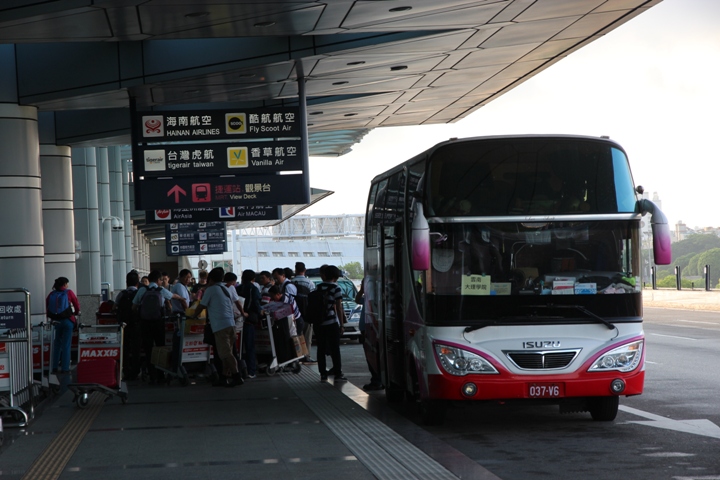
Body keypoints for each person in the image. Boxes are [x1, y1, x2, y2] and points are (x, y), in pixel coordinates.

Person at [190, 267, 243, 387]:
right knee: (224, 354)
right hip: (231, 324)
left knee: (226, 354)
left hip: (220, 326)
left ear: (211, 280)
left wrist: (193, 316)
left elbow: (201, 306)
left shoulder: (211, 289)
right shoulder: (227, 288)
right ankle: (223, 378)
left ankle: (237, 376)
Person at [132, 270, 185, 382]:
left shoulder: (142, 290)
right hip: (158, 322)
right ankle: (161, 374)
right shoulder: (161, 290)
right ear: (158, 280)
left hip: (145, 323)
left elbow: (134, 307)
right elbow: (173, 297)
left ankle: (152, 375)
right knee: (161, 347)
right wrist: (181, 299)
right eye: (161, 280)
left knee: (148, 349)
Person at [315, 265, 347, 382]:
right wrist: (342, 325)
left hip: (319, 323)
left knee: (321, 348)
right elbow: (338, 308)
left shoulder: (318, 287)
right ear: (335, 276)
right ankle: (338, 373)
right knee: (335, 348)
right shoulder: (336, 288)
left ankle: (323, 373)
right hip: (331, 323)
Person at [46, 277, 80, 374]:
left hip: (56, 321)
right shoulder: (68, 292)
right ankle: (65, 368)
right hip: (67, 321)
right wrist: (76, 313)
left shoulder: (52, 294)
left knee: (57, 344)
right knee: (66, 345)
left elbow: (47, 304)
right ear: (64, 284)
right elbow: (76, 304)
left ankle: (54, 367)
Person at [114, 270, 141, 380]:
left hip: (124, 326)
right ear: (137, 283)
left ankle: (125, 370)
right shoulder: (139, 293)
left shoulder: (122, 294)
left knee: (124, 349)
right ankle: (136, 371)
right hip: (136, 324)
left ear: (126, 282)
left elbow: (114, 307)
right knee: (136, 349)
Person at [356, 279, 382, 390]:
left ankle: (376, 380)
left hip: (370, 328)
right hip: (365, 328)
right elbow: (357, 300)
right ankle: (376, 379)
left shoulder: (372, 299)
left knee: (371, 355)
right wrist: (361, 290)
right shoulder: (367, 298)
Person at [238, 269, 261, 379]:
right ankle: (251, 371)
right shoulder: (253, 289)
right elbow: (256, 304)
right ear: (253, 279)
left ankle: (239, 369)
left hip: (237, 320)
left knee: (238, 347)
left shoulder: (237, 288)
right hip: (249, 320)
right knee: (250, 346)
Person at [292, 262, 316, 364]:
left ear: (295, 270)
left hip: (294, 314)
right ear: (304, 270)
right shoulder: (310, 283)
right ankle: (306, 356)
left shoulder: (291, 282)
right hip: (307, 314)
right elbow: (313, 298)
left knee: (295, 336)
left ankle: (295, 357)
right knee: (307, 337)